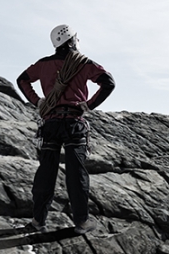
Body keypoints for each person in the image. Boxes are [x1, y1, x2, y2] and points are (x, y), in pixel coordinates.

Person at [17, 24, 115, 234]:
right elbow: (108, 83)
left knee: (45, 172)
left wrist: (37, 102)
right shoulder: (83, 63)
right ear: (72, 40)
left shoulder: (43, 64)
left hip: (50, 124)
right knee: (76, 174)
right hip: (73, 123)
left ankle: (38, 221)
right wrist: (89, 104)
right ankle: (81, 222)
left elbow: (22, 80)